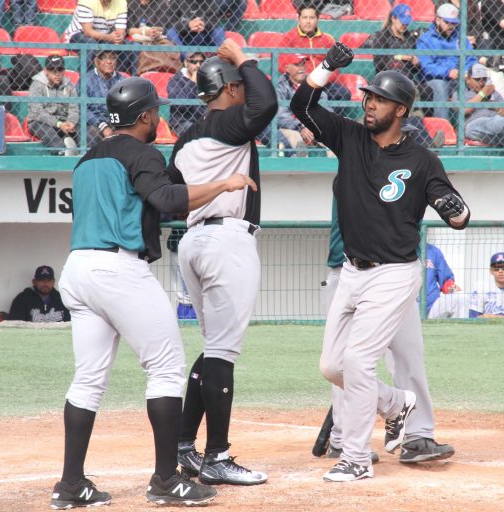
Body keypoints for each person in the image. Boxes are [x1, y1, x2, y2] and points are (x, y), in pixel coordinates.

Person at [51, 76, 257, 509]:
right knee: (165, 368)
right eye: (155, 110)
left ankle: (71, 486)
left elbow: (140, 204)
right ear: (144, 116)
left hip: (78, 269)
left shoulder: (87, 158)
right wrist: (224, 184)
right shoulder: (143, 152)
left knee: (87, 380)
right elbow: (167, 199)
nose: (158, 116)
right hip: (118, 270)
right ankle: (167, 481)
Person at [290, 42, 470, 481]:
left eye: (380, 99)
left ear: (402, 110)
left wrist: (453, 207)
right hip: (352, 271)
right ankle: (395, 404)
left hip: (394, 274)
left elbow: (459, 213)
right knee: (331, 366)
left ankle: (354, 458)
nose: (370, 104)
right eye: (368, 97)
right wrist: (326, 67)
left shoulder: (422, 160)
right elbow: (301, 104)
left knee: (357, 362)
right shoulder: (350, 138)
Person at [167, 39, 277, 486]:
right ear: (229, 89)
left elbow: (173, 197)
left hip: (193, 241)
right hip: (226, 240)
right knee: (223, 354)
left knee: (212, 350)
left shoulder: (184, 140)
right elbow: (266, 103)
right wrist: (244, 57)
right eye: (238, 87)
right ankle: (217, 455)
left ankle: (183, 447)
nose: (242, 94)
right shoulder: (226, 121)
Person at [319, 199, 456, 466]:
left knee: (409, 354)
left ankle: (418, 436)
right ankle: (343, 437)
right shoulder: (354, 164)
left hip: (399, 272)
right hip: (351, 272)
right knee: (346, 361)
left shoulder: (408, 165)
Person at [452, 63, 504, 156]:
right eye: (477, 79)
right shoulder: (460, 93)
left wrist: (497, 108)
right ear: (468, 79)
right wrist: (482, 94)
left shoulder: (493, 93)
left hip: (498, 131)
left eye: (484, 79)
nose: (481, 82)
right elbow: (463, 110)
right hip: (473, 129)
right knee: (488, 122)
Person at [281, 3, 351, 108]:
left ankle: (327, 122)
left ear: (317, 19)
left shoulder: (327, 39)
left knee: (343, 93)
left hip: (323, 84)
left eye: (312, 17)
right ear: (299, 19)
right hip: (299, 84)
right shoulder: (289, 37)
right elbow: (282, 63)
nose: (308, 21)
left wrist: (322, 80)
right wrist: (301, 78)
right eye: (304, 17)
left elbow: (335, 68)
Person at [416, 3, 477, 120]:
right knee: (440, 85)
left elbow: (471, 60)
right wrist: (447, 72)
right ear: (438, 19)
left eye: (454, 23)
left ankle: (469, 128)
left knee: (479, 79)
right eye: (447, 22)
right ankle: (443, 127)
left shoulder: (460, 38)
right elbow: (427, 67)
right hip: (433, 81)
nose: (451, 26)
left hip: (458, 79)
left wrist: (465, 72)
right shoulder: (426, 40)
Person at [27, 55, 80, 156]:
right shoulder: (37, 85)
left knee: (83, 127)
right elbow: (38, 112)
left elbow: (74, 107)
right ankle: (61, 151)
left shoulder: (69, 85)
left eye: (60, 70)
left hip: (64, 121)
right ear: (46, 71)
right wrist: (59, 124)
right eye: (52, 70)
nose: (57, 74)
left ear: (64, 70)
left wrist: (71, 122)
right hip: (40, 122)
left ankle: (82, 150)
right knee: (45, 130)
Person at [361, 4, 422, 77]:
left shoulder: (409, 37)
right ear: (393, 18)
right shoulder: (382, 36)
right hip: (387, 79)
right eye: (402, 22)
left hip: (407, 80)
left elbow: (414, 70)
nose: (405, 25)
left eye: (407, 23)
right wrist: (399, 57)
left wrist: (416, 62)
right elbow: (379, 64)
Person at [86, 49, 124, 147]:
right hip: (95, 122)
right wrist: (103, 126)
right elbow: (82, 109)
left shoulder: (122, 80)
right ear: (96, 61)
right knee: (92, 135)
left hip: (118, 121)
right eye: (104, 58)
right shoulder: (86, 80)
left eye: (112, 58)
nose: (109, 62)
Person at [166, 51, 207, 136]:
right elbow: (181, 106)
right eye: (193, 62)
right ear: (186, 63)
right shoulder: (175, 80)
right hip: (181, 122)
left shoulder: (206, 80)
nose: (198, 65)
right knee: (196, 130)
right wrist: (192, 82)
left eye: (201, 62)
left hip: (202, 121)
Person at [63, 0, 127, 45]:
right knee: (91, 44)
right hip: (78, 34)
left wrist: (118, 38)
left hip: (104, 36)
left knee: (132, 45)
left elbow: (120, 31)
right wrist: (109, 37)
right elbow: (87, 32)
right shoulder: (87, 1)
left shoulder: (121, 2)